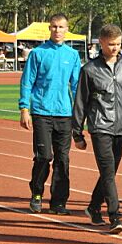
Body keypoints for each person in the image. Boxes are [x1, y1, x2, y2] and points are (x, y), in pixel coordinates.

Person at [72, 25, 122, 233]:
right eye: (111, 44)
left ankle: (93, 207)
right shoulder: (89, 70)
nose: (115, 48)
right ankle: (115, 216)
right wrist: (77, 132)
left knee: (110, 171)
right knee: (107, 171)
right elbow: (81, 102)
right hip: (100, 126)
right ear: (101, 42)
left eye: (118, 44)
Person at [19, 13, 81, 215]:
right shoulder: (38, 53)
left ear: (67, 29)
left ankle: (59, 202)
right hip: (41, 112)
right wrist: (24, 109)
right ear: (49, 28)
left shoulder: (72, 55)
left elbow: (77, 86)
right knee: (44, 156)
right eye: (54, 26)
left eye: (61, 27)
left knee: (63, 160)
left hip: (64, 114)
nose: (57, 30)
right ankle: (37, 193)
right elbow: (27, 82)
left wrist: (80, 113)